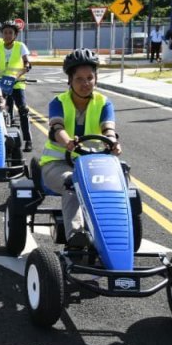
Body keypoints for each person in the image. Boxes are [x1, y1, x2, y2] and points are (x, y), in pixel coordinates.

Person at [39, 49, 120, 248]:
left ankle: (116, 237)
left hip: (94, 163)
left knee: (121, 184)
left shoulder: (104, 103)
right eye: (79, 79)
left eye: (90, 78)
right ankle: (76, 236)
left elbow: (108, 128)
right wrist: (67, 141)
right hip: (58, 163)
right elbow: (57, 128)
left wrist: (113, 142)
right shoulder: (58, 102)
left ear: (96, 79)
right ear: (69, 80)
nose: (85, 84)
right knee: (73, 184)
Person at [0, 20, 33, 151]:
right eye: (5, 33)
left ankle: (28, 140)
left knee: (23, 110)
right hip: (3, 84)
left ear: (15, 35)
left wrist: (16, 76)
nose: (7, 35)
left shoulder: (21, 46)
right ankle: (2, 138)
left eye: (10, 33)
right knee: (2, 110)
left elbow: (27, 65)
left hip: (17, 84)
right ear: (2, 34)